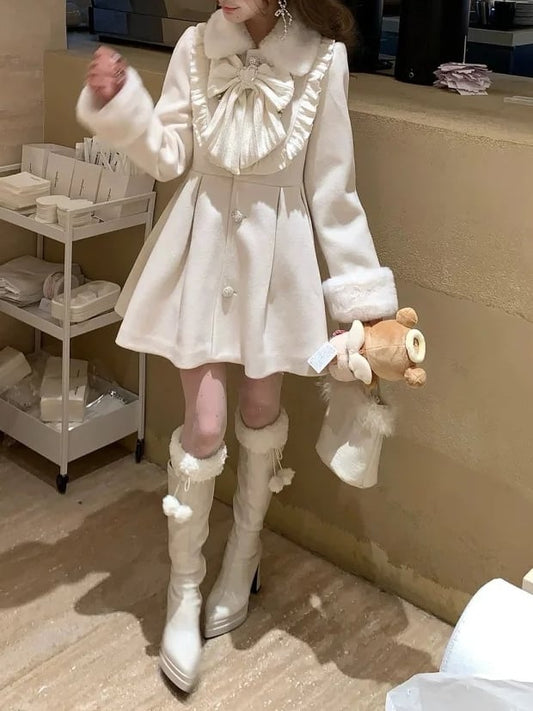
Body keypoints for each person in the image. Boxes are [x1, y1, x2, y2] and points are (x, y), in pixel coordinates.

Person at [77, 0, 398, 693]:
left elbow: (333, 192)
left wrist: (366, 312)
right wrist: (121, 103)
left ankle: (242, 557)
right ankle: (184, 588)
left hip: (275, 265)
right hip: (199, 249)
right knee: (204, 425)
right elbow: (169, 155)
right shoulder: (197, 45)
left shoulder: (323, 60)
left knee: (258, 413)